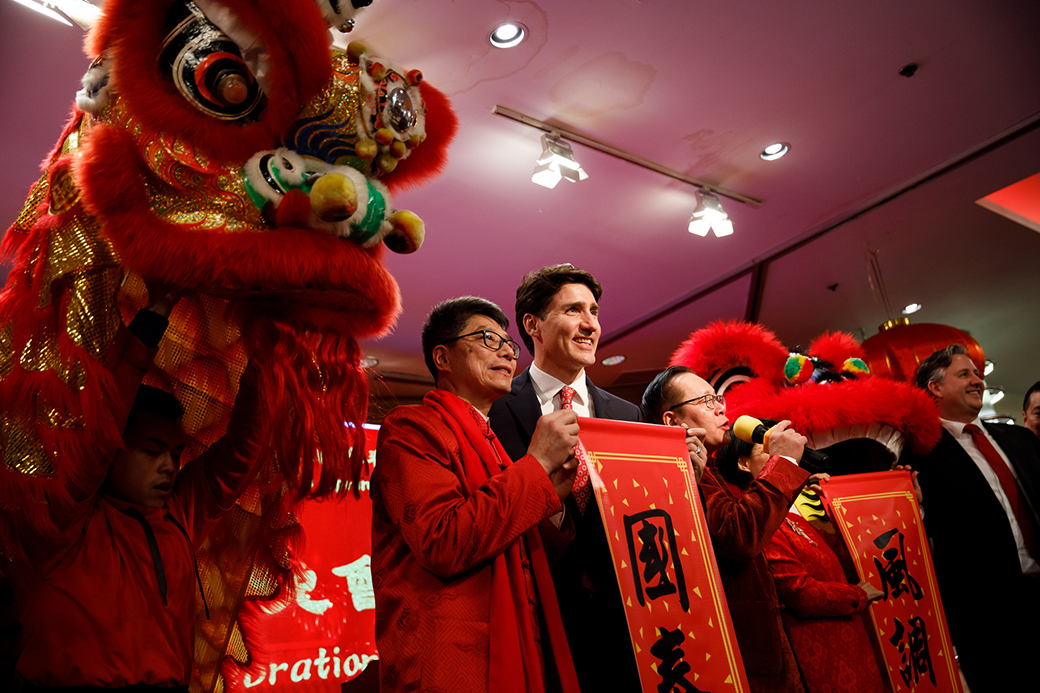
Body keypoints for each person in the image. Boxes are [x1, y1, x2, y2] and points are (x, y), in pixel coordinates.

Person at [6, 296, 266, 690]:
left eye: (176, 454)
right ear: (113, 450)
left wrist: (265, 356)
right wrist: (156, 311)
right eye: (151, 450)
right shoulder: (64, 518)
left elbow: (243, 451)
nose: (169, 465)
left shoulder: (180, 511)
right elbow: (101, 425)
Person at [371, 296, 580, 693]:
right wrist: (535, 466)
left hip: (514, 643)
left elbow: (522, 559)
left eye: (509, 344)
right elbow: (443, 541)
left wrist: (552, 500)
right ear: (442, 357)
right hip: (452, 660)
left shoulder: (494, 445)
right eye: (488, 338)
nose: (506, 350)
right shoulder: (410, 429)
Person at [487, 264, 643, 692]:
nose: (590, 324)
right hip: (536, 612)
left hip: (625, 621)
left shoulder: (628, 417)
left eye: (593, 311)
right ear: (532, 324)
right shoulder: (495, 409)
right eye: (573, 310)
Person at [642, 366, 811, 693]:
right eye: (706, 401)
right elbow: (740, 537)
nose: (721, 407)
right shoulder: (677, 472)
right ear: (673, 421)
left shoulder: (710, 470)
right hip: (735, 659)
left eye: (718, 398)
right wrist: (784, 464)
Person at [898, 344, 1040, 693]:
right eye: (965, 374)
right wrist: (915, 508)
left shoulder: (1020, 439)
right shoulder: (919, 454)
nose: (978, 381)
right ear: (935, 387)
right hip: (987, 620)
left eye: (977, 373)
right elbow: (919, 535)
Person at [712, 421, 887, 693]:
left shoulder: (793, 510)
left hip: (849, 640)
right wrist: (857, 595)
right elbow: (799, 592)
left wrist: (837, 505)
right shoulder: (757, 519)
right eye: (771, 448)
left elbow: (844, 558)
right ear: (743, 464)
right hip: (819, 650)